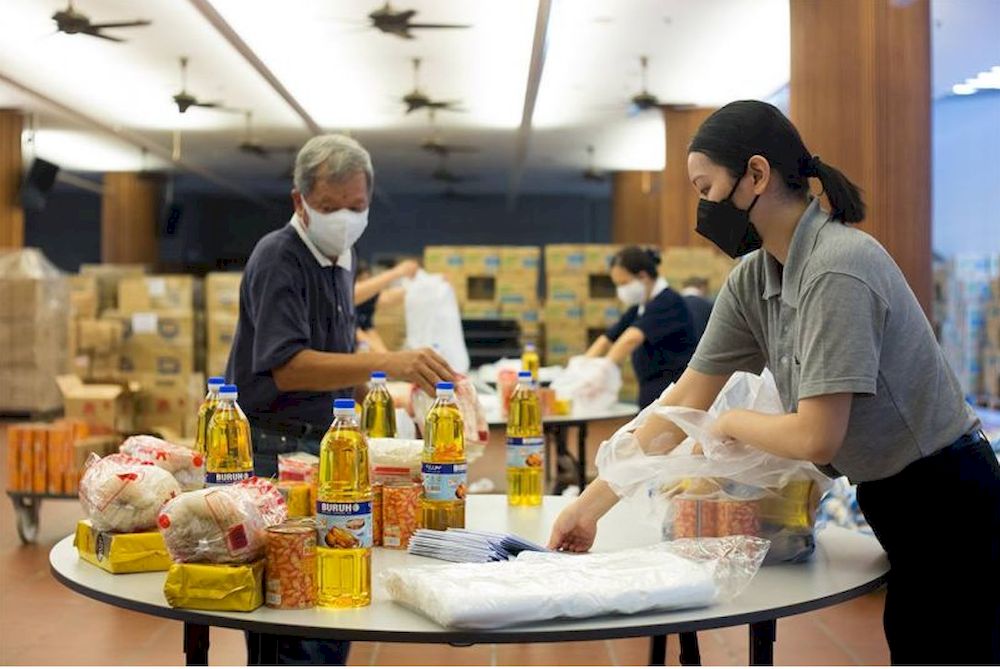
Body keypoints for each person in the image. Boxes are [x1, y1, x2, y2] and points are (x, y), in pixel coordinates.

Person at [550, 100, 1000, 665]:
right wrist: (589, 507)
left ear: (756, 175)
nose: (703, 207)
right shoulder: (753, 279)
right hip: (888, 493)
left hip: (949, 496)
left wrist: (730, 422)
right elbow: (683, 401)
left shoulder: (838, 266)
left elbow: (817, 437)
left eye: (706, 188)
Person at [226, 134, 455, 665]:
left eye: (356, 207)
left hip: (326, 447)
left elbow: (336, 351)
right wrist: (390, 362)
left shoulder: (341, 257)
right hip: (275, 450)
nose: (345, 220)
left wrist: (384, 400)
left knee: (336, 591)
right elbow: (288, 367)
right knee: (292, 605)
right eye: (330, 208)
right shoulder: (279, 257)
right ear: (300, 202)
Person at [585, 246, 699, 409]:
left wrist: (600, 374)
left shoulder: (668, 302)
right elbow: (608, 338)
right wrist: (582, 367)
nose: (621, 290)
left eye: (624, 283)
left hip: (673, 392)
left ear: (643, 276)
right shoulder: (639, 308)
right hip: (651, 391)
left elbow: (630, 339)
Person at [353, 258, 417, 353]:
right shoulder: (346, 302)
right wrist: (399, 271)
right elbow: (359, 335)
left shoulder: (367, 303)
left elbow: (389, 297)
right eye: (364, 283)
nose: (369, 291)